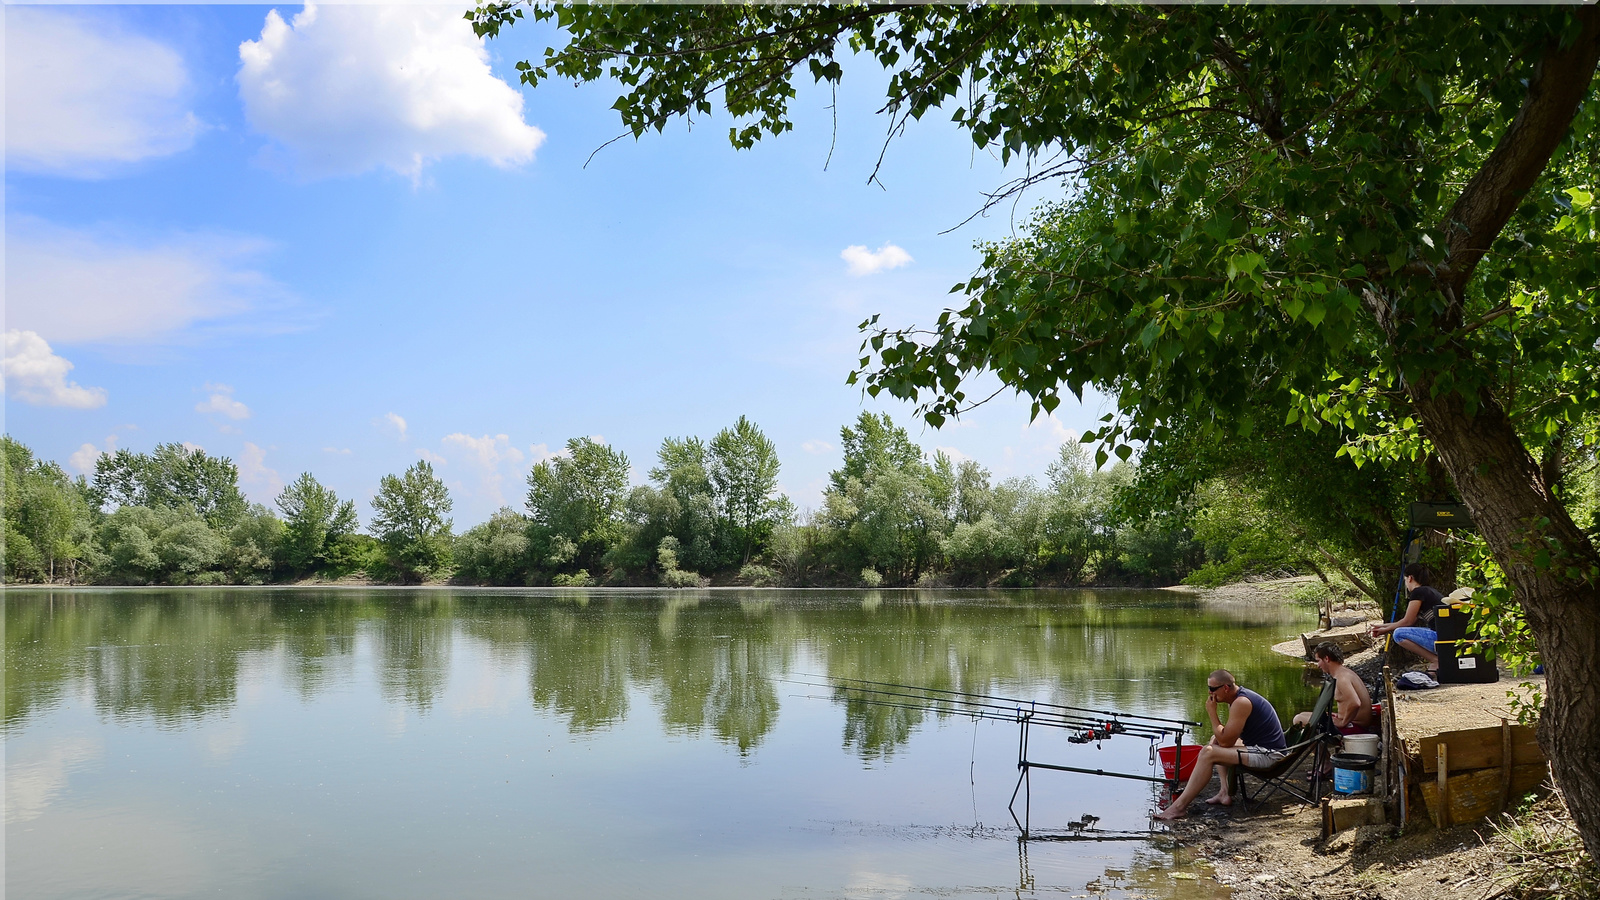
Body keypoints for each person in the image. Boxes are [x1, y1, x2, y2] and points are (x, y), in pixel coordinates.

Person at [1154, 669, 1287, 820]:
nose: (1210, 693)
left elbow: (1226, 741)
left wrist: (1212, 713)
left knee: (1208, 752)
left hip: (1270, 755)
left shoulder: (1241, 702)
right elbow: (1224, 738)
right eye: (1208, 688)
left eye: (1212, 689)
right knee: (1214, 740)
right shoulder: (1236, 700)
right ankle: (1225, 792)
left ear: (1225, 688)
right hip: (1261, 748)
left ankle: (1179, 808)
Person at [1371, 563, 1445, 676]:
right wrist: (1381, 627)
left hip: (1440, 638)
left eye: (1405, 580)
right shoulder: (1429, 591)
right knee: (1400, 631)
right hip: (1444, 636)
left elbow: (1407, 622)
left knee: (1399, 634)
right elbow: (1405, 622)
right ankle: (1436, 660)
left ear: (1409, 578)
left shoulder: (1418, 592)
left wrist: (1385, 630)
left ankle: (1435, 660)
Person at [1293, 642, 1374, 735]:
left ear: (1326, 659)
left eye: (1318, 660)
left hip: (1356, 726)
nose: (1318, 665)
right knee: (1303, 715)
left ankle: (1319, 746)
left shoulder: (1342, 678)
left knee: (1298, 719)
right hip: (1351, 721)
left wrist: (1343, 722)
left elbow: (1355, 703)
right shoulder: (1344, 672)